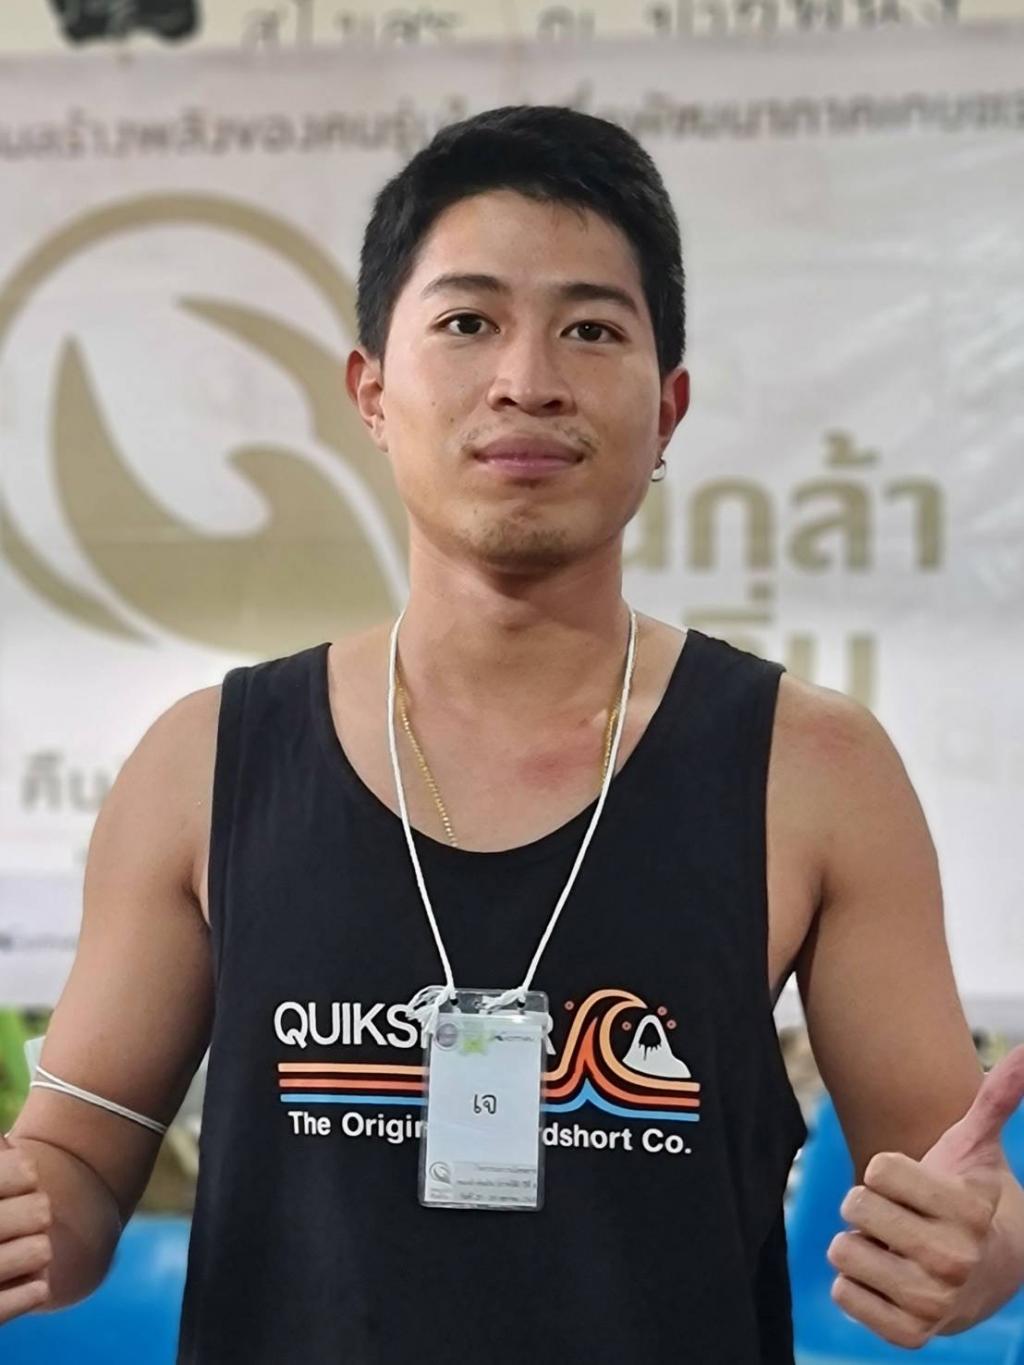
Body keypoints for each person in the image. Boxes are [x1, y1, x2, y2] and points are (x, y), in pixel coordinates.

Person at [2, 104, 1022, 1363]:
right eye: (467, 322)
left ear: (669, 409)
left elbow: (950, 1183)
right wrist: (27, 1215)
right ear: (371, 392)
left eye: (591, 329)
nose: (527, 380)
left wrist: (977, 1248)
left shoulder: (810, 770)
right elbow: (75, 1168)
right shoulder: (203, 764)